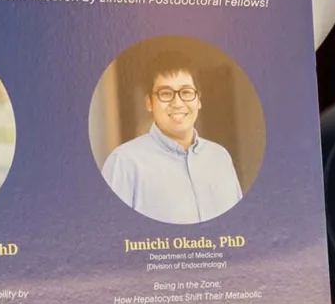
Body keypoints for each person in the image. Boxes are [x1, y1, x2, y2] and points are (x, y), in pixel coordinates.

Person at [101, 60, 243, 223]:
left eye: (186, 92)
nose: (177, 103)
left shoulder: (220, 157)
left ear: (198, 100)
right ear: (149, 103)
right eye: (166, 93)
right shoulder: (124, 163)